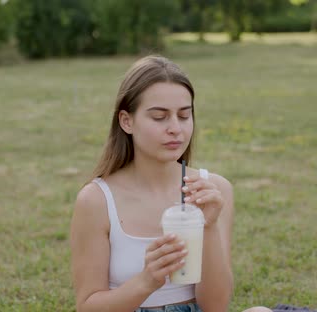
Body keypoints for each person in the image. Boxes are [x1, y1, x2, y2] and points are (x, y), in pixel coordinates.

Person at [70, 55, 272, 312]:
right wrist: (146, 282)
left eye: (184, 116)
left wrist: (208, 227)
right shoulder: (96, 200)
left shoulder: (215, 190)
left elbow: (216, 306)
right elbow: (87, 306)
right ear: (126, 121)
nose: (176, 128)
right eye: (159, 117)